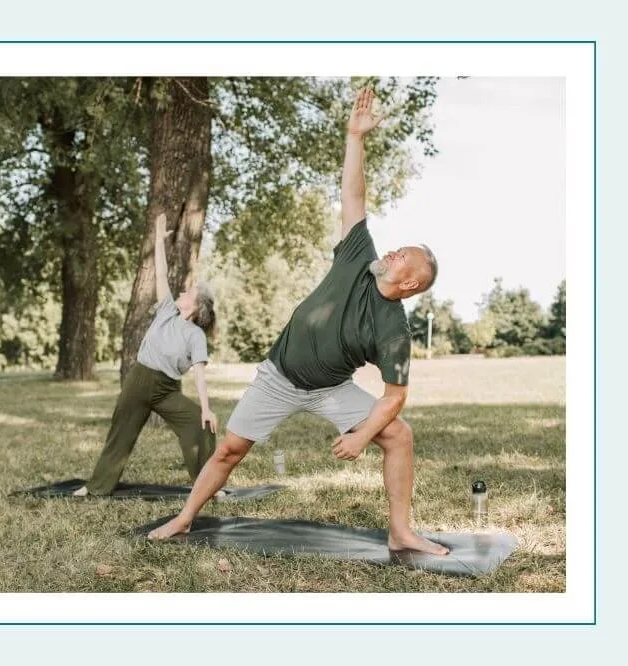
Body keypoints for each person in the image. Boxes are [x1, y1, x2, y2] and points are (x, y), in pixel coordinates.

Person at [147, 89, 448, 556]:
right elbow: (354, 193)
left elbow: (395, 397)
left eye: (402, 255)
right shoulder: (358, 256)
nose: (392, 252)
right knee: (229, 450)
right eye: (397, 247)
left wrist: (363, 434)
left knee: (399, 434)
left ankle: (400, 531)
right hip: (279, 376)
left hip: (329, 387)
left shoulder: (394, 329)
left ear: (409, 284)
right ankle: (184, 519)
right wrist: (355, 138)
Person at [74, 212, 218, 496]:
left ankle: (208, 487)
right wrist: (158, 239)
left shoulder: (195, 335)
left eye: (188, 293)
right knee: (121, 433)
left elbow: (199, 376)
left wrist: (206, 408)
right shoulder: (166, 310)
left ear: (195, 306)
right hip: (139, 380)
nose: (181, 292)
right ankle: (96, 487)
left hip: (166, 389)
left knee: (200, 425)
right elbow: (161, 273)